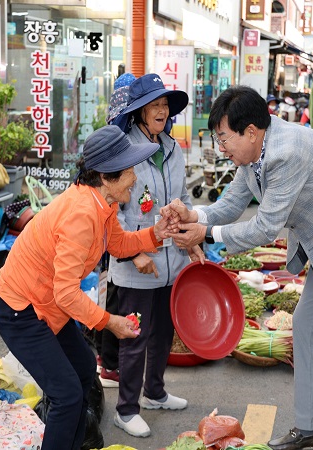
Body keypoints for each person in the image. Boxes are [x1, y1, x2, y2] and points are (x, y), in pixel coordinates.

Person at [162, 85, 313, 450]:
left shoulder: (285, 153)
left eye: (223, 139)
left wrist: (205, 234)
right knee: (305, 324)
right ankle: (310, 428)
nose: (221, 147)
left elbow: (265, 227)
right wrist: (192, 215)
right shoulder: (255, 152)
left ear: (251, 131)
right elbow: (231, 204)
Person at [0, 125, 172, 450]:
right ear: (105, 177)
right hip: (21, 310)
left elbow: (118, 243)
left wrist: (157, 233)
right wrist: (109, 321)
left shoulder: (103, 206)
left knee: (85, 370)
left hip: (49, 305)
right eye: (129, 171)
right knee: (67, 394)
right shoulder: (82, 214)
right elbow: (66, 293)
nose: (134, 178)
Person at [110, 73, 202, 438]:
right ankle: (126, 409)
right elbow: (111, 211)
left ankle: (155, 392)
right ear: (138, 111)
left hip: (170, 262)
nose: (162, 111)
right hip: (138, 265)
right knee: (134, 337)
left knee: (163, 332)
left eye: (165, 105)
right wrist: (133, 255)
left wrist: (194, 237)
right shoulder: (121, 149)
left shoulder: (172, 147)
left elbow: (183, 200)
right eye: (154, 105)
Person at [96, 72, 138, 388]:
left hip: (116, 233)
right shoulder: (115, 140)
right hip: (111, 231)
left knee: (112, 292)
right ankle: (108, 363)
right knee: (113, 295)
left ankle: (108, 359)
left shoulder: (122, 133)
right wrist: (134, 251)